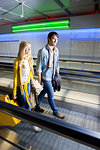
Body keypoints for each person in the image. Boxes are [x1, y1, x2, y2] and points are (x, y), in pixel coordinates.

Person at [13, 41, 41, 132]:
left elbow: (29, 74)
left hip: (28, 85)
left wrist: (32, 81)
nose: (29, 50)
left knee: (25, 104)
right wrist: (14, 93)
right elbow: (16, 78)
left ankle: (21, 116)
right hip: (20, 87)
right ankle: (33, 125)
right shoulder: (17, 62)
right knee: (28, 105)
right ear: (22, 49)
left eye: (30, 48)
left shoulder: (29, 59)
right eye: (27, 48)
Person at [35, 31, 65, 119]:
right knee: (51, 95)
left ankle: (37, 104)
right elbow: (39, 66)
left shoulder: (56, 50)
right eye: (54, 39)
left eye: (57, 39)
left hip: (53, 76)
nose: (56, 41)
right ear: (49, 39)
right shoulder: (42, 51)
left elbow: (57, 63)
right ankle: (55, 111)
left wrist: (57, 74)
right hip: (45, 76)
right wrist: (40, 79)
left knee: (44, 91)